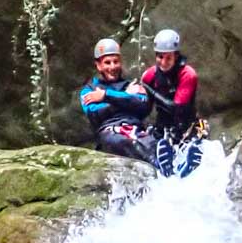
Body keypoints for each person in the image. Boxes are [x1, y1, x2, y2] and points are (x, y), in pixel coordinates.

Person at [79, 38, 168, 174]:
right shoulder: (89, 90)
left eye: (116, 61)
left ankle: (171, 162)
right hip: (110, 134)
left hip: (136, 130)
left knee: (155, 139)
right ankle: (156, 164)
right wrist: (125, 98)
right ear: (98, 65)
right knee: (121, 141)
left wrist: (106, 96)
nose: (112, 67)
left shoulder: (131, 86)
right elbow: (95, 114)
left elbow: (142, 105)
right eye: (107, 62)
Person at [139, 28, 202, 176]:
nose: (163, 62)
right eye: (160, 57)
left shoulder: (187, 74)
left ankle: (187, 159)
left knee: (185, 144)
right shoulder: (150, 75)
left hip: (185, 125)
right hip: (163, 126)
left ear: (176, 56)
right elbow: (145, 108)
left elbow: (177, 108)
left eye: (168, 58)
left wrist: (149, 90)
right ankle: (165, 160)